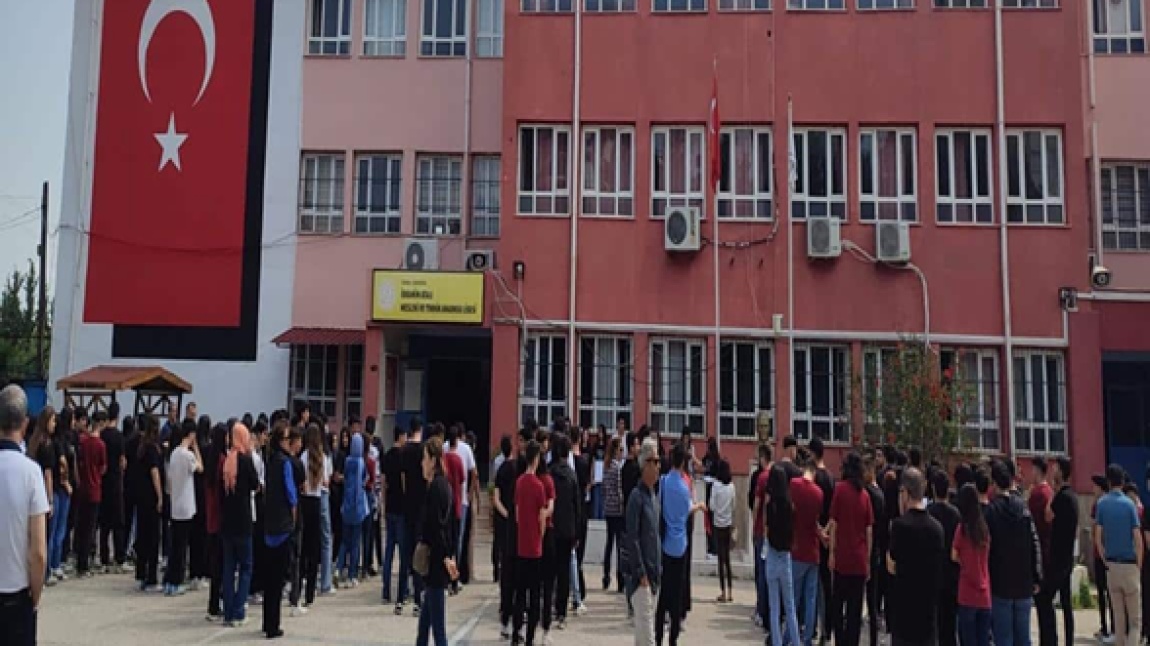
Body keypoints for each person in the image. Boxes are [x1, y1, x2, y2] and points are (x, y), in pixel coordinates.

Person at [0, 385, 48, 645]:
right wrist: (36, 595)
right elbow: (38, 552)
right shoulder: (31, 472)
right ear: (26, 423)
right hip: (16, 595)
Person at [985, 459, 1042, 646]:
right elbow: (1035, 542)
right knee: (1023, 637)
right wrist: (1037, 575)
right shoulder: (1024, 509)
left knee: (1003, 638)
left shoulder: (991, 512)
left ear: (993, 484)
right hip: (1024, 583)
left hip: (1001, 584)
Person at [887, 467, 945, 646]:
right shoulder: (937, 528)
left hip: (904, 612)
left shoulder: (899, 526)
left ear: (904, 492)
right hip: (928, 612)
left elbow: (891, 565)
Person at [416, 436, 459, 646]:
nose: (422, 463)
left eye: (424, 458)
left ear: (433, 461)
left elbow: (439, 528)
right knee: (424, 627)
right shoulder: (441, 486)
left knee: (438, 630)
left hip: (435, 563)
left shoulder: (437, 489)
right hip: (436, 561)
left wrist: (446, 558)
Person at [1095, 463, 1144, 646]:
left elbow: (1098, 537)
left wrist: (1104, 558)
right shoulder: (1129, 505)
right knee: (1134, 621)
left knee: (1119, 619)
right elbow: (1138, 539)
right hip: (1130, 564)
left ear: (1108, 481)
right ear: (1123, 482)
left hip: (1112, 565)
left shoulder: (1102, 504)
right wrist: (1138, 564)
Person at [828, 452, 873, 646]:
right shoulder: (865, 495)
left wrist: (831, 552)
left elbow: (834, 524)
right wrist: (868, 560)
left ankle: (840, 641)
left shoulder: (839, 490)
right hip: (859, 560)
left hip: (842, 559)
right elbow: (869, 530)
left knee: (838, 605)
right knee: (855, 611)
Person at [262, 422, 299, 639]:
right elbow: (291, 493)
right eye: (286, 439)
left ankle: (268, 621)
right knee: (277, 579)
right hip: (283, 525)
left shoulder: (269, 461)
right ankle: (273, 625)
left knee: (269, 580)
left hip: (269, 524)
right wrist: (294, 517)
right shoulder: (285, 463)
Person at [220, 423, 259, 628]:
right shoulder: (245, 459)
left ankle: (227, 612)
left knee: (228, 568)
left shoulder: (228, 460)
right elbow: (255, 484)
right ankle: (238, 610)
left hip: (227, 521)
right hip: (243, 519)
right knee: (246, 567)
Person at [1037, 456, 1078, 646]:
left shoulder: (1061, 497)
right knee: (1067, 604)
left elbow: (1047, 515)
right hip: (1068, 557)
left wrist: (1053, 492)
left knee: (1044, 598)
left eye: (1056, 468)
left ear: (1061, 472)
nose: (1053, 471)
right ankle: (1069, 641)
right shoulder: (1074, 497)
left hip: (1056, 558)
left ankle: (1049, 640)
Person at [656, 444, 694, 646]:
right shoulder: (684, 487)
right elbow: (687, 511)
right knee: (677, 592)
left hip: (664, 543)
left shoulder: (663, 482)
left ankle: (659, 633)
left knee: (664, 591)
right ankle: (674, 637)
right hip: (680, 544)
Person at [626, 439, 662, 646]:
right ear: (644, 464)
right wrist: (641, 574)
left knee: (642, 639)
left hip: (654, 575)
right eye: (654, 461)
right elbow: (632, 538)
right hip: (642, 579)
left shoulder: (653, 496)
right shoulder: (636, 497)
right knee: (648, 639)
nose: (658, 466)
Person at [514, 439, 548, 646]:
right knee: (535, 596)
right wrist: (539, 536)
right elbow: (542, 518)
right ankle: (529, 638)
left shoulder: (519, 483)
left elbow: (518, 515)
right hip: (535, 547)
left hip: (520, 545)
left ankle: (516, 632)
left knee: (520, 594)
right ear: (536, 459)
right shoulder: (539, 486)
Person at [764, 464, 802, 646]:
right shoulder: (789, 505)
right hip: (785, 557)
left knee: (774, 607)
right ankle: (796, 642)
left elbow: (766, 530)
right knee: (790, 606)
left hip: (772, 555)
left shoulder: (770, 506)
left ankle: (777, 642)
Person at [165, 419, 203, 595]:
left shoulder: (173, 453)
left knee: (175, 545)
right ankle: (176, 581)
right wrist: (196, 448)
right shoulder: (188, 455)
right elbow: (200, 468)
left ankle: (169, 580)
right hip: (187, 506)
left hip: (175, 504)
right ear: (192, 434)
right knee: (182, 547)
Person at [791, 450, 825, 646]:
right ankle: (808, 638)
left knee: (793, 597)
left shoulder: (794, 485)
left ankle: (793, 635)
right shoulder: (818, 493)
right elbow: (814, 522)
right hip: (813, 550)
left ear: (804, 468)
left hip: (797, 548)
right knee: (811, 597)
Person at [953, 484, 992, 646]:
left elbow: (953, 555)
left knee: (967, 640)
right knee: (983, 640)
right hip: (984, 594)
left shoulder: (962, 529)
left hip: (967, 592)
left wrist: (965, 562)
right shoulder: (984, 529)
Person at [549, 433, 581, 630]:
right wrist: (577, 532)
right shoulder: (571, 475)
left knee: (550, 569)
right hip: (568, 530)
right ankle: (562, 610)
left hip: (552, 528)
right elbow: (577, 506)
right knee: (564, 571)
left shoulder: (550, 473)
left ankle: (550, 607)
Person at [927, 467, 960, 646]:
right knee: (950, 624)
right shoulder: (955, 514)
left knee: (935, 624)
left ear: (933, 489)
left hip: (933, 575)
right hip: (952, 574)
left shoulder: (929, 512)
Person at [26, 407, 58, 585]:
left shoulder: (33, 442)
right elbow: (48, 474)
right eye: (53, 421)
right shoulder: (47, 445)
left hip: (32, 491)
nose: (54, 425)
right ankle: (45, 572)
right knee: (47, 534)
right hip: (43, 493)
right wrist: (50, 499)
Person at [75, 409, 108, 579]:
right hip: (95, 488)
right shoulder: (100, 445)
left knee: (81, 527)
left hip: (82, 488)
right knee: (91, 529)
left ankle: (79, 560)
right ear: (101, 424)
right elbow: (103, 468)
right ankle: (84, 565)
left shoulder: (83, 442)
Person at [299, 424, 329, 609]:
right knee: (314, 548)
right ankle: (310, 593)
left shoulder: (303, 456)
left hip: (305, 501)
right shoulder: (322, 457)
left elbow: (302, 483)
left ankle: (298, 587)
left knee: (303, 549)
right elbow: (325, 481)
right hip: (317, 501)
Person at [399, 418, 426, 617]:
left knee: (405, 556)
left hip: (406, 507)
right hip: (420, 509)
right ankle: (418, 600)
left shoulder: (404, 451)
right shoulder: (423, 451)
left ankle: (400, 599)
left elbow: (403, 479)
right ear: (421, 430)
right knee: (418, 555)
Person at [134, 415, 164, 592]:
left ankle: (141, 572)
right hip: (151, 497)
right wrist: (160, 496)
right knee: (153, 537)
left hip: (141, 496)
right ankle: (152, 576)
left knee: (143, 535)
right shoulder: (153, 449)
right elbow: (155, 474)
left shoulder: (141, 447)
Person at [98, 402, 127, 573]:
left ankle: (104, 557)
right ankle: (119, 556)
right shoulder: (119, 437)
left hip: (103, 481)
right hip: (116, 481)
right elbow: (123, 461)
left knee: (104, 523)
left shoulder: (101, 435)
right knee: (118, 522)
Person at [337, 432, 368, 588]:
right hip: (357, 507)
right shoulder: (361, 463)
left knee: (344, 540)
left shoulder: (348, 461)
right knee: (355, 543)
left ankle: (339, 568)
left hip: (346, 505)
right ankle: (352, 574)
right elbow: (362, 481)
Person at [862, 453, 887, 646]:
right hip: (876, 549)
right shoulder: (880, 495)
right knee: (872, 600)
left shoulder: (865, 494)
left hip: (864, 548)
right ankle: (873, 640)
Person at [382, 426, 407, 603]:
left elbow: (383, 483)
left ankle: (385, 590)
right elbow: (404, 482)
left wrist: (383, 505)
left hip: (390, 506)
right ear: (402, 436)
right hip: (401, 507)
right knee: (403, 553)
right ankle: (402, 591)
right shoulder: (403, 456)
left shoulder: (387, 456)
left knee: (389, 551)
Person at [709, 459, 735, 603]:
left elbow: (711, 506)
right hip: (728, 524)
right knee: (728, 559)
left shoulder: (715, 486)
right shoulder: (731, 486)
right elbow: (734, 505)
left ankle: (723, 591)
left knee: (720, 559)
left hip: (718, 524)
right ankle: (731, 591)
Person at [602, 436, 626, 593]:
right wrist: (622, 504)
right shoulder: (617, 467)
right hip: (617, 509)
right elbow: (618, 488)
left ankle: (605, 575)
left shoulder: (606, 466)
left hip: (608, 508)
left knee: (609, 542)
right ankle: (620, 577)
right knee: (619, 544)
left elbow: (605, 487)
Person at [491, 434, 511, 584]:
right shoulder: (513, 466)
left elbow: (493, 483)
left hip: (500, 505)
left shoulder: (497, 463)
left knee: (497, 540)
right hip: (507, 505)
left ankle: (496, 570)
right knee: (505, 541)